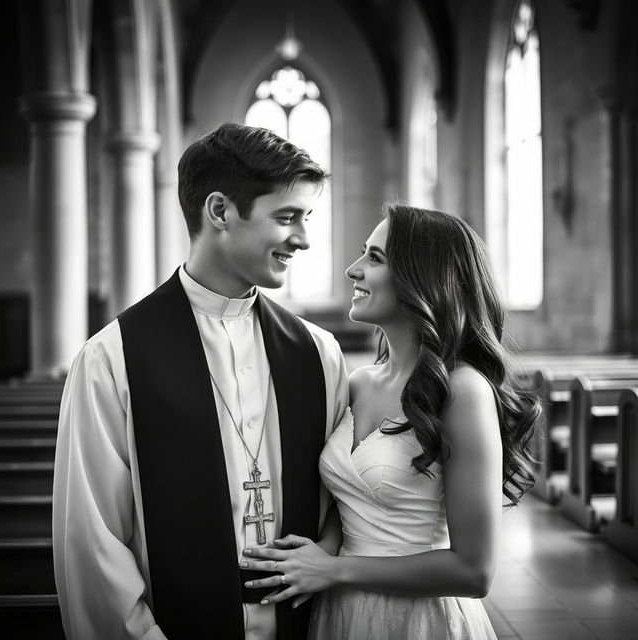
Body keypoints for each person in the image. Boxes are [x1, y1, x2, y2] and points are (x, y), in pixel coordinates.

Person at [52, 122, 349, 640]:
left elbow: (340, 510)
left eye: (306, 218)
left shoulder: (318, 353)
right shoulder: (111, 358)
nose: (302, 238)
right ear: (219, 212)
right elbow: (93, 541)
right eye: (287, 217)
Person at [240, 204, 540, 639]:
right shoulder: (359, 383)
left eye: (375, 258)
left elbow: (474, 571)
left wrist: (337, 570)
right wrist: (322, 550)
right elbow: (351, 496)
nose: (352, 269)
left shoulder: (462, 391)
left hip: (418, 619)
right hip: (339, 611)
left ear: (424, 277)